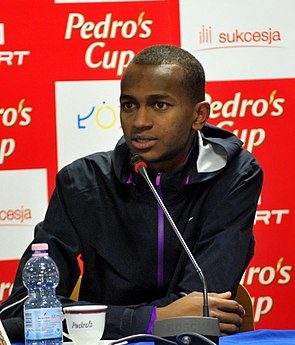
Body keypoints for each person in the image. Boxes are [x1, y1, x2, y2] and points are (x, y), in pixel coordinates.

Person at [0, 44, 263, 341]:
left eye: (159, 105)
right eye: (129, 105)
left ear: (199, 115)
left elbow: (200, 310)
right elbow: (24, 309)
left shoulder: (234, 174)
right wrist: (154, 319)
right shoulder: (83, 182)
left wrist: (104, 317)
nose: (139, 121)